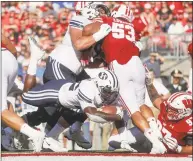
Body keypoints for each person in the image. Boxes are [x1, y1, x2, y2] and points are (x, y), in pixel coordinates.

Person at [22, 2, 112, 149]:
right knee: (77, 99)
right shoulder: (80, 19)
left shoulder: (98, 28)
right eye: (98, 11)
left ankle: (63, 131)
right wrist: (99, 34)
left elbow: (90, 60)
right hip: (61, 66)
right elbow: (78, 45)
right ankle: (52, 136)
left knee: (49, 111)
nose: (101, 14)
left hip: (73, 71)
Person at [82, 4, 166, 153]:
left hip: (120, 65)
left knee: (132, 110)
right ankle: (155, 129)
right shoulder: (132, 27)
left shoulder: (108, 21)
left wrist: (98, 33)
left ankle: (155, 141)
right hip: (138, 64)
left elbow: (87, 30)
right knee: (141, 104)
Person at [1, 34, 46, 152]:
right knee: (27, 94)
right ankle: (11, 134)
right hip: (9, 58)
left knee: (2, 110)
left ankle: (33, 134)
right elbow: (5, 40)